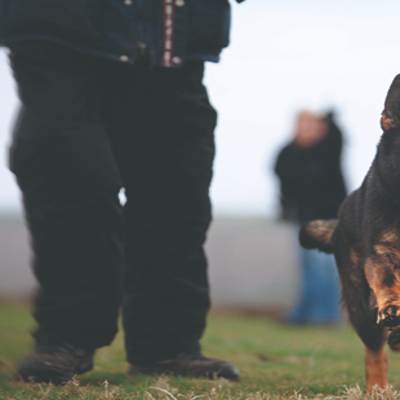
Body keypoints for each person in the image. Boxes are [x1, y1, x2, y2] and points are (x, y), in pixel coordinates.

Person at [1, 0, 244, 384]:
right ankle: (65, 337)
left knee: (176, 197)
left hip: (171, 46)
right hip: (59, 40)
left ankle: (167, 344)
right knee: (74, 187)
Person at [274, 111, 347, 325]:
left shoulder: (328, 151)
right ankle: (305, 313)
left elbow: (337, 137)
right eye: (303, 126)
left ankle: (326, 316)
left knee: (325, 267)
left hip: (330, 219)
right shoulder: (289, 153)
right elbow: (282, 177)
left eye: (312, 126)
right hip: (304, 219)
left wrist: (330, 120)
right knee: (308, 268)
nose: (307, 131)